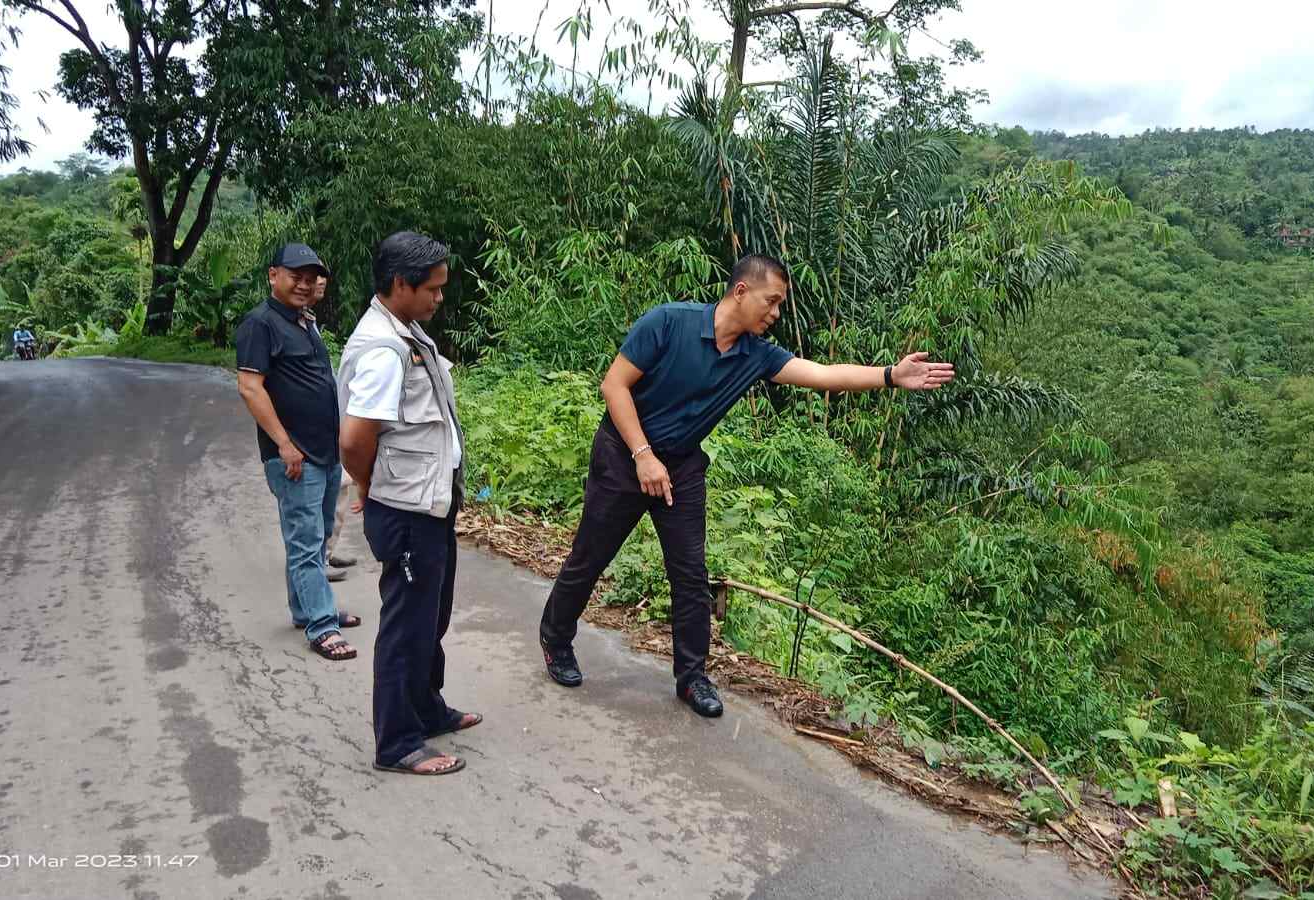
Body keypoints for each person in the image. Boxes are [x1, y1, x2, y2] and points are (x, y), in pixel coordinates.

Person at [539, 254, 955, 718]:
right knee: (591, 554)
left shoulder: (756, 355)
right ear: (740, 292)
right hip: (624, 454)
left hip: (681, 467)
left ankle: (692, 676)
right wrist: (643, 456)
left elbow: (822, 374)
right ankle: (555, 640)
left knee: (691, 573)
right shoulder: (667, 323)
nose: (775, 314)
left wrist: (889, 377)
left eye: (780, 305)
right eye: (771, 302)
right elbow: (613, 386)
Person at [339, 231, 480, 776]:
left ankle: (426, 708)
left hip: (428, 505)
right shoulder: (383, 351)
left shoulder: (408, 332)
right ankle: (396, 742)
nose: (440, 297)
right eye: (433, 289)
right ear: (400, 284)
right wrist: (369, 485)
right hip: (405, 510)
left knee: (432, 614)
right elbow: (355, 439)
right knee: (407, 624)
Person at [234, 243, 362, 661]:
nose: (304, 285)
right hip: (294, 457)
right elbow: (251, 387)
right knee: (306, 542)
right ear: (274, 275)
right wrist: (284, 444)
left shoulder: (304, 322)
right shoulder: (260, 324)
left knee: (316, 537)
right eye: (296, 276)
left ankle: (305, 609)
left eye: (311, 278)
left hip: (324, 453)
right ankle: (322, 626)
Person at [306, 274, 360, 582]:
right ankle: (318, 558)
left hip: (332, 423)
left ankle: (327, 550)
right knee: (325, 495)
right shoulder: (285, 323)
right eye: (314, 279)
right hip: (315, 432)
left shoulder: (308, 319)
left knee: (337, 491)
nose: (322, 283)